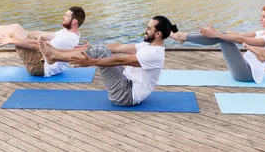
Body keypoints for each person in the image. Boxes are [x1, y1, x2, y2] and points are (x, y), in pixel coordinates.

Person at [38, 15, 177, 106]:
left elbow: (119, 61)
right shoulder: (148, 46)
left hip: (125, 95)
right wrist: (91, 47)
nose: (146, 30)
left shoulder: (154, 54)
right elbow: (118, 47)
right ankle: (55, 54)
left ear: (158, 34)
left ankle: (54, 56)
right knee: (99, 48)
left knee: (99, 52)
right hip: (126, 82)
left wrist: (92, 62)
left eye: (149, 28)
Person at [170, 4, 265, 83]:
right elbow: (238, 34)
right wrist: (217, 32)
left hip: (247, 74)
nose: (260, 19)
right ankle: (183, 37)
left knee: (223, 38)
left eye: (263, 17)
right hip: (242, 69)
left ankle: (183, 37)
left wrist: (217, 35)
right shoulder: (261, 32)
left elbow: (242, 40)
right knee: (223, 35)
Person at [0, 7, 85, 77]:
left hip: (40, 66)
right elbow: (43, 35)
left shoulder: (67, 38)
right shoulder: (68, 33)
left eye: (66, 16)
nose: (63, 17)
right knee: (16, 28)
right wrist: (25, 33)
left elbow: (39, 47)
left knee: (12, 31)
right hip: (45, 61)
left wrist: (12, 40)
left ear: (74, 22)